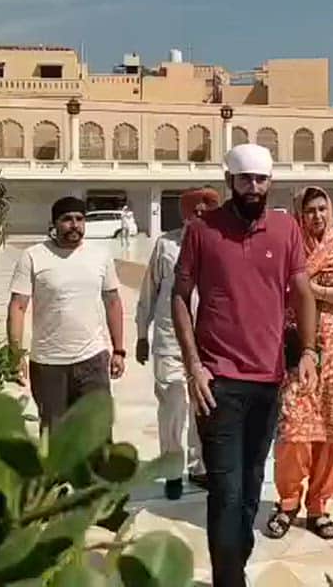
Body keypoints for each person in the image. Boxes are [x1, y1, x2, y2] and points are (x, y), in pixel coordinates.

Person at [172, 144, 318, 587]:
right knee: (227, 492)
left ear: (270, 181)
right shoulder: (202, 231)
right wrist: (194, 365)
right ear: (229, 180)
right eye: (244, 179)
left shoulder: (285, 229)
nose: (252, 187)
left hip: (268, 381)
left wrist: (308, 350)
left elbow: (301, 290)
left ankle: (233, 570)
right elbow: (180, 297)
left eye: (260, 179)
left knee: (252, 489)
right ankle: (229, 582)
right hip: (217, 382)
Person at [265, 186, 333, 542]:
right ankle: (287, 501)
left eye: (322, 209)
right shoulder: (290, 247)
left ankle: (319, 505)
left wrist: (317, 292)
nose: (317, 216)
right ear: (300, 214)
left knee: (332, 432)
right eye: (310, 210)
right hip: (299, 354)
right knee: (293, 431)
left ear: (332, 210)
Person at [8, 196, 126, 430]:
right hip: (48, 365)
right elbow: (17, 307)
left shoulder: (100, 256)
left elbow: (112, 301)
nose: (74, 225)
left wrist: (119, 350)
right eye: (67, 219)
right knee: (55, 437)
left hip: (93, 360)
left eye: (80, 219)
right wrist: (15, 354)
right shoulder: (33, 256)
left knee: (97, 434)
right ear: (54, 224)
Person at [136, 188, 220, 500]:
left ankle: (199, 467)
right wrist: (142, 334)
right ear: (184, 213)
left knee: (203, 404)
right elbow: (149, 291)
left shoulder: (219, 245)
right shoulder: (166, 245)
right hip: (170, 340)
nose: (199, 215)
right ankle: (171, 469)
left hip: (208, 343)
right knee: (172, 404)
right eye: (194, 210)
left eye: (205, 210)